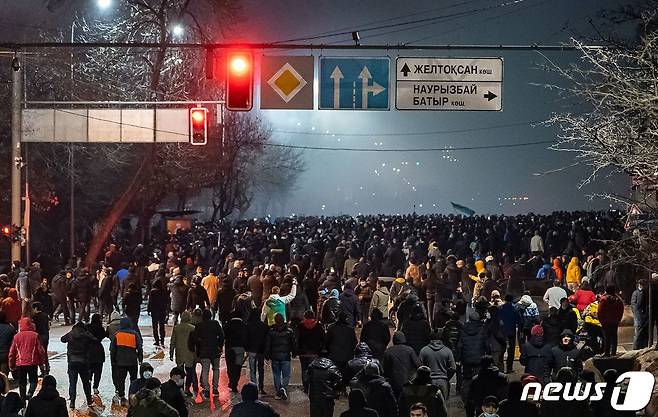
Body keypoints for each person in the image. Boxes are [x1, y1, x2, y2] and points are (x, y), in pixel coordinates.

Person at [60, 321, 96, 409]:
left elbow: (62, 339)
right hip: (83, 362)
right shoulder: (86, 334)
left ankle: (72, 402)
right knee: (86, 383)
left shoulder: (71, 334)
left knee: (72, 382)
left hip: (72, 361)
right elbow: (95, 340)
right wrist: (88, 334)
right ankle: (89, 400)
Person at [8, 317, 46, 400]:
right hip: (33, 362)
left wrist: (11, 364)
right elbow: (41, 351)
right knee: (33, 380)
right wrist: (42, 363)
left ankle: (22, 398)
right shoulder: (35, 335)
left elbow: (12, 352)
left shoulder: (16, 337)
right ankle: (30, 394)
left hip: (20, 363)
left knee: (22, 382)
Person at [110, 317, 143, 405]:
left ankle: (122, 397)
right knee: (133, 379)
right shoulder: (134, 334)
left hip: (120, 362)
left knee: (121, 380)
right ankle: (133, 396)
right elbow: (140, 347)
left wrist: (113, 361)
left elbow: (113, 349)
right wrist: (140, 359)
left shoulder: (117, 334)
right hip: (132, 361)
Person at [193, 309, 224, 399]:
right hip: (215, 350)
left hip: (204, 351)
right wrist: (219, 346)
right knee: (216, 369)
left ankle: (206, 388)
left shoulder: (199, 326)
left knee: (205, 370)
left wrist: (199, 348)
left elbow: (195, 339)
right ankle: (215, 388)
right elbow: (221, 336)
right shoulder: (215, 324)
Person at [419, 330, 456, 400]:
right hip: (443, 381)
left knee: (429, 405)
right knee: (442, 407)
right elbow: (453, 368)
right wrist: (447, 377)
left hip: (429, 382)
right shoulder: (447, 351)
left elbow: (419, 367)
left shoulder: (424, 350)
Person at [264, 313, 294, 400]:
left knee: (276, 375)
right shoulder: (289, 331)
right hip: (285, 356)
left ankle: (278, 391)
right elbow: (293, 343)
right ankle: (283, 388)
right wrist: (294, 352)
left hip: (275, 356)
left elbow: (268, 345)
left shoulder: (271, 332)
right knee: (286, 375)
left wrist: (267, 355)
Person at [382, 331, 421, 398]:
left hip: (393, 384)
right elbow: (418, 365)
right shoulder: (409, 350)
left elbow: (384, 369)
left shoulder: (388, 351)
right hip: (407, 383)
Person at [169, 311, 197, 397]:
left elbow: (172, 341)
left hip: (179, 352)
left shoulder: (177, 328)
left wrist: (171, 352)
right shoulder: (193, 328)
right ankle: (187, 388)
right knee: (189, 372)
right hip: (190, 353)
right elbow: (195, 342)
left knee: (179, 372)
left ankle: (180, 388)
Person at [296, 310, 325, 393]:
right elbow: (323, 339)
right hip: (314, 352)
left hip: (303, 353)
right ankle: (312, 386)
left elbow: (296, 339)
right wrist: (321, 350)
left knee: (304, 369)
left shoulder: (300, 326)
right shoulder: (318, 326)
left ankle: (305, 387)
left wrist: (296, 350)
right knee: (313, 370)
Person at [246, 309, 269, 395]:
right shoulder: (264, 326)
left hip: (251, 350)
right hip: (261, 350)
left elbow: (246, 338)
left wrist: (246, 348)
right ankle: (261, 386)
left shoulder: (248, 325)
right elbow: (267, 339)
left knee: (252, 369)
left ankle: (253, 386)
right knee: (261, 369)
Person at [225, 312, 248, 393]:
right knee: (238, 367)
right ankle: (235, 384)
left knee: (230, 367)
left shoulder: (227, 325)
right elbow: (247, 337)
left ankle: (231, 382)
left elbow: (224, 336)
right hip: (240, 349)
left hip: (230, 348)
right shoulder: (244, 325)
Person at [598, 285, 624, 356]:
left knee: (606, 337)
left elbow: (600, 311)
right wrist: (618, 319)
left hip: (605, 321)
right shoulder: (618, 300)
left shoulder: (603, 299)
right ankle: (613, 352)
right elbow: (621, 310)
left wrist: (601, 320)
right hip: (615, 321)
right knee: (614, 336)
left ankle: (606, 352)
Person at [87, 313, 107, 395]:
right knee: (98, 371)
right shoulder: (100, 328)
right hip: (98, 351)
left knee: (89, 370)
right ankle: (95, 387)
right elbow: (105, 335)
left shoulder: (87, 327)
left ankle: (88, 382)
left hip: (89, 351)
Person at [31, 302, 50, 377]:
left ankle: (43, 370)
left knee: (39, 354)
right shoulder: (46, 315)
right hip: (46, 336)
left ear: (35, 308)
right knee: (45, 352)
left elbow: (34, 328)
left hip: (38, 337)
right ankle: (47, 366)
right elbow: (48, 327)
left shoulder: (34, 317)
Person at [147, 279, 168, 347]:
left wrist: (149, 310)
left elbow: (150, 301)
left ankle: (156, 340)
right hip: (162, 310)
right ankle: (162, 340)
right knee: (162, 326)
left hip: (154, 310)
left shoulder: (153, 292)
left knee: (155, 326)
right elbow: (166, 301)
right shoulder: (164, 291)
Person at [631, 279, 649, 349]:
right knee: (638, 331)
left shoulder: (646, 293)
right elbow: (633, 305)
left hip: (645, 315)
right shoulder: (635, 293)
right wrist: (638, 314)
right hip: (638, 315)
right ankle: (636, 347)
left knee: (645, 332)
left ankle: (644, 346)